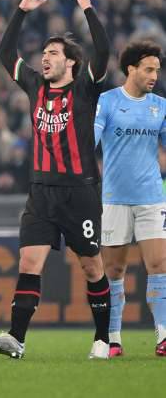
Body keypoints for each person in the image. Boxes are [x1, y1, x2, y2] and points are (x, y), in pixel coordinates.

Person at [0, 0, 111, 359]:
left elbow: (102, 50)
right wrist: (21, 9)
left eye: (53, 53)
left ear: (71, 62)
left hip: (79, 192)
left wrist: (87, 7)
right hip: (40, 192)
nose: (45, 58)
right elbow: (5, 53)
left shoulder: (86, 89)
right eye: (44, 53)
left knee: (90, 266)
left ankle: (102, 339)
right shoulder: (35, 86)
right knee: (29, 261)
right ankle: (16, 338)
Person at [94, 40, 166, 357]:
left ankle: (163, 336)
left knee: (159, 265)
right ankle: (114, 338)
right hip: (114, 199)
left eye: (157, 70)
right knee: (114, 271)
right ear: (131, 69)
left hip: (152, 197)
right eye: (149, 69)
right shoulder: (107, 102)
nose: (154, 76)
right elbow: (90, 142)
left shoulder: (160, 106)